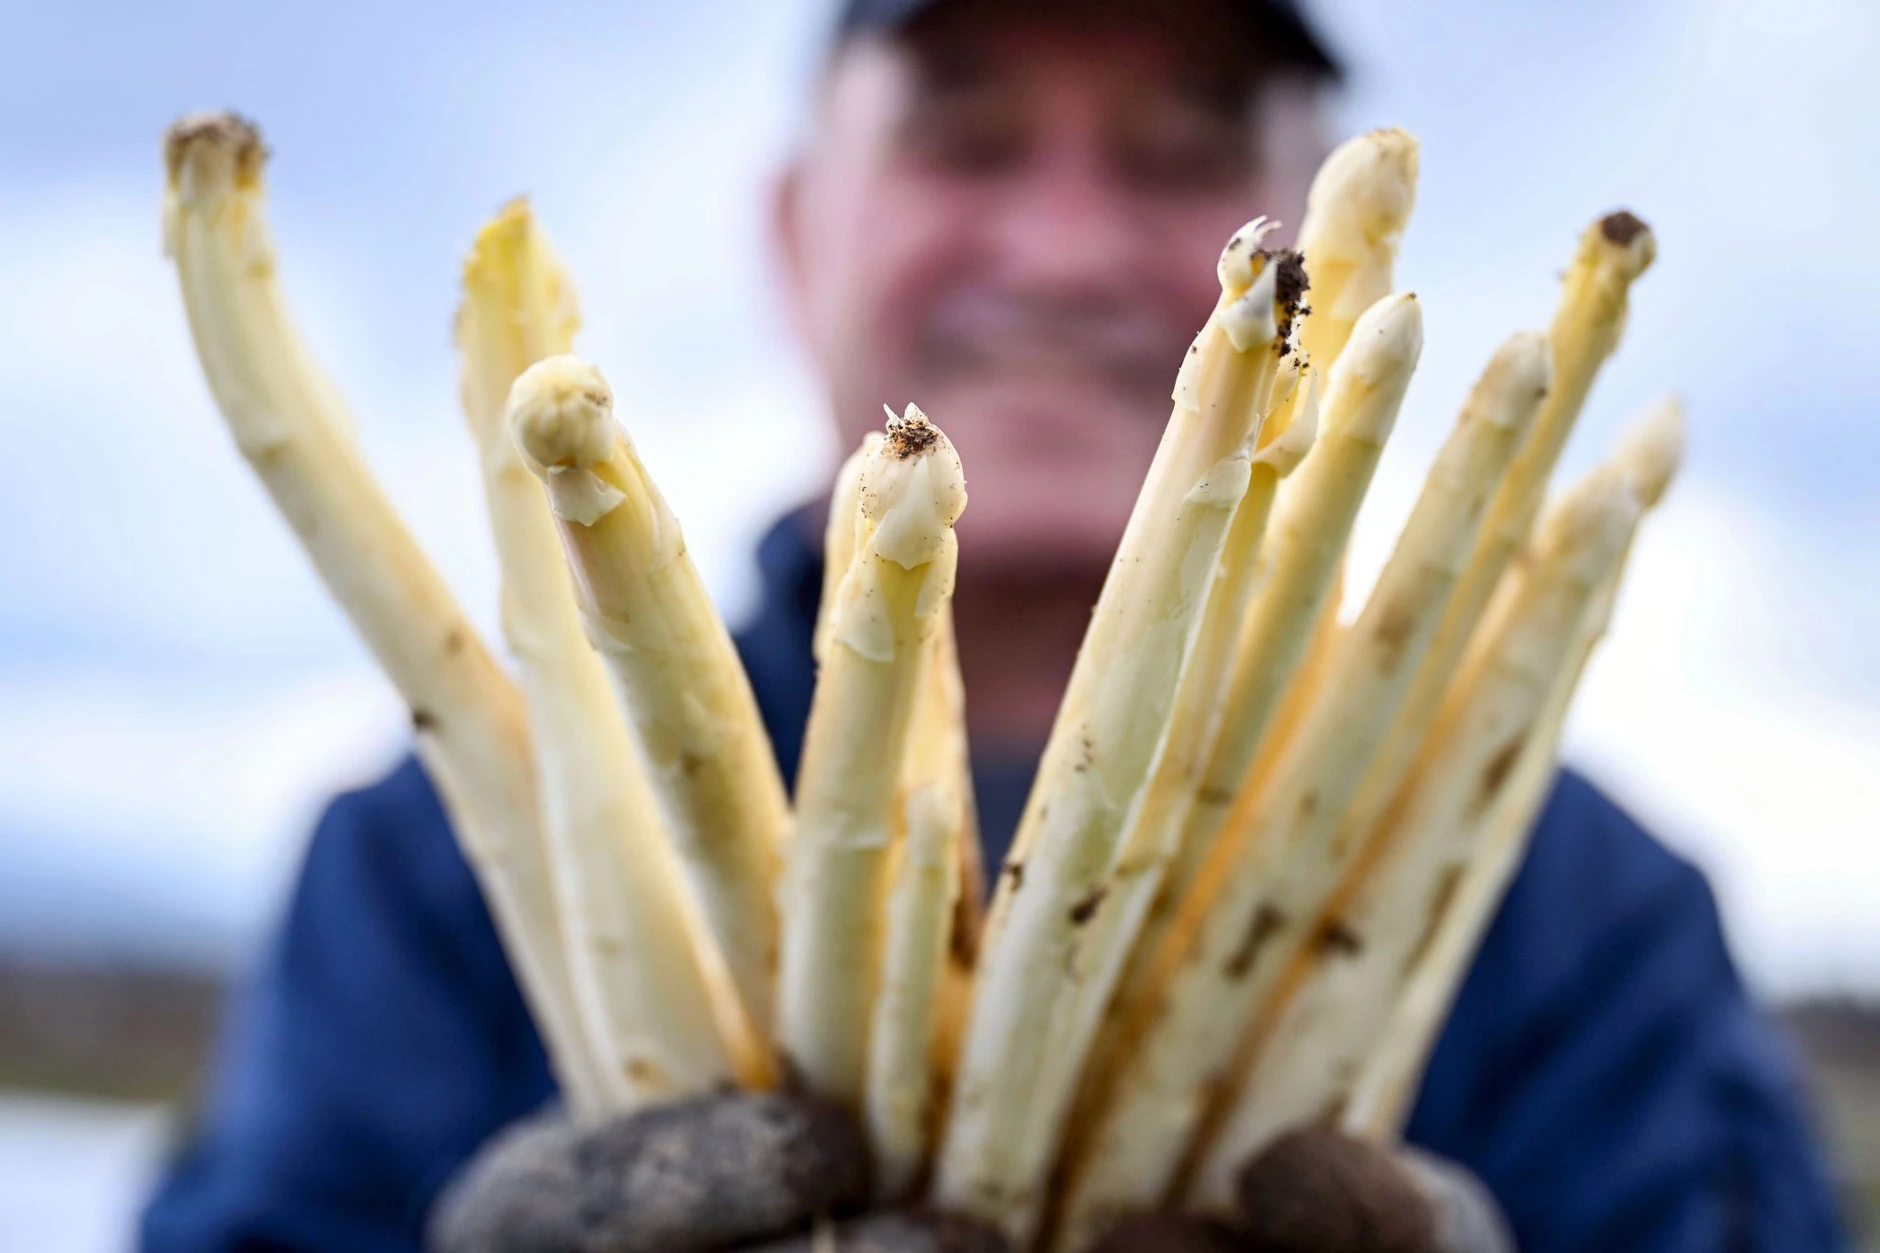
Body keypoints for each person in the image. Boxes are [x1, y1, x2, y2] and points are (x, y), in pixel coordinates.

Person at [140, 0, 1849, 1250]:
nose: (1065, 247)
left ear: (1340, 276)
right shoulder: (425, 872)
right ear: (798, 230)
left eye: (1186, 163)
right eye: (966, 142)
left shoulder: (1585, 921)